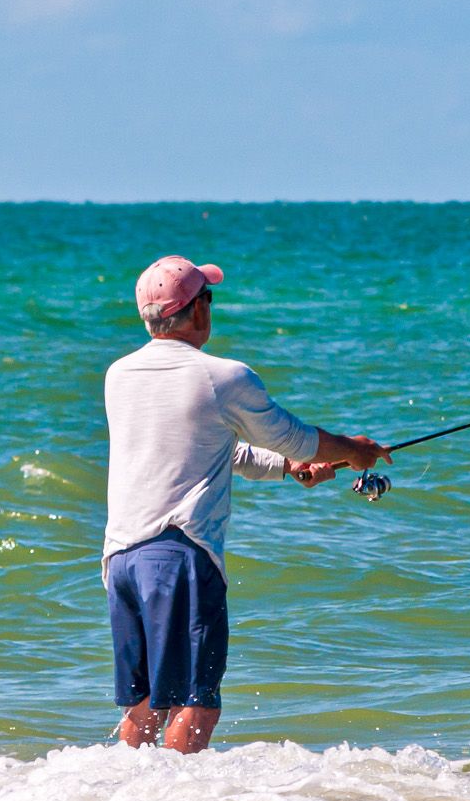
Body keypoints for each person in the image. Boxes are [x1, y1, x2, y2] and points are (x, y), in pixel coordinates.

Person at [103, 255, 388, 754]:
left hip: (122, 559)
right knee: (198, 703)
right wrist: (355, 450)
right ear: (197, 310)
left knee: (145, 706)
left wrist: (283, 468)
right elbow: (299, 439)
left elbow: (212, 446)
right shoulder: (223, 376)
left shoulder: (119, 375)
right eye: (208, 298)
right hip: (179, 554)